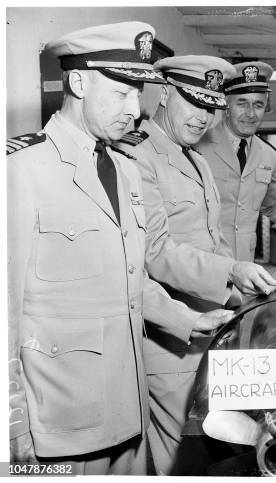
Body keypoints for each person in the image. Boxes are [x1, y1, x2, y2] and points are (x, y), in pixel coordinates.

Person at [7, 22, 233, 475]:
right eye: (121, 92)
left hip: (128, 414)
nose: (135, 109)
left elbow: (129, 278)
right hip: (58, 419)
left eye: (139, 93)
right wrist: (12, 426)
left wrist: (190, 319)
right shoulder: (20, 170)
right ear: (77, 82)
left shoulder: (125, 167)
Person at [115, 55, 276, 475]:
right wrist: (229, 273)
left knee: (218, 447)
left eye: (211, 107)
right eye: (194, 103)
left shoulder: (195, 158)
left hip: (212, 327)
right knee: (181, 456)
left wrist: (245, 290)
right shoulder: (137, 156)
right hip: (169, 336)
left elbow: (214, 239)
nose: (203, 117)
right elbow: (155, 251)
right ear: (165, 94)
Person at [194, 61, 276, 262]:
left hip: (245, 268)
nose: (250, 113)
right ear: (226, 104)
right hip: (204, 264)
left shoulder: (268, 156)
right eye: (242, 103)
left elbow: (272, 206)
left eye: (258, 105)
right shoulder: (198, 146)